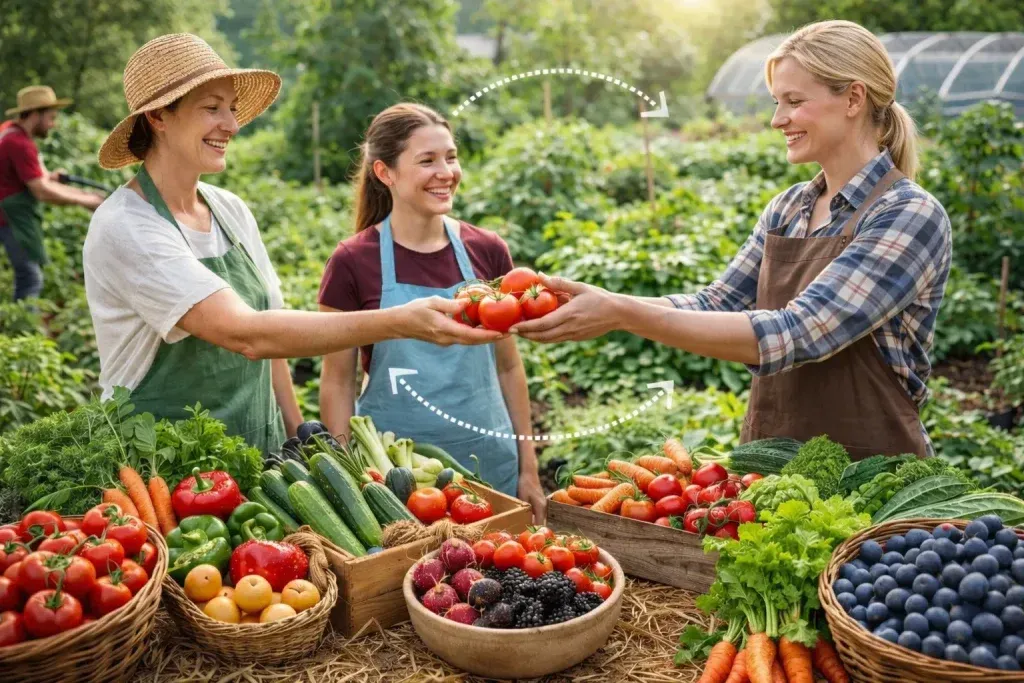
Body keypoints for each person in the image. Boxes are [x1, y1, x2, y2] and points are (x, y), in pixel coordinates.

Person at [513, 20, 952, 461]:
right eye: (778, 102)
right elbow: (718, 303)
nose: (778, 119)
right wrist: (606, 302)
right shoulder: (788, 209)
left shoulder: (907, 213)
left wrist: (622, 314)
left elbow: (800, 332)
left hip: (878, 480)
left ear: (854, 98)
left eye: (794, 102)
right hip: (768, 471)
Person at [83, 34, 500, 457]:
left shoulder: (229, 210)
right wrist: (399, 321)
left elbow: (271, 329)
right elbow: (246, 335)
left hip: (251, 456)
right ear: (158, 117)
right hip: (160, 469)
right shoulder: (128, 225)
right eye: (212, 108)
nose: (231, 124)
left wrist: (301, 436)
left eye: (231, 108)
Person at [318, 103, 545, 516]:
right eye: (427, 160)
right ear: (385, 173)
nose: (446, 172)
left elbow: (509, 367)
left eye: (451, 157)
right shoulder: (353, 261)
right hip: (396, 477)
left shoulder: (487, 251)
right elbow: (337, 382)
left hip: (491, 465)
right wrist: (350, 477)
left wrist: (528, 468)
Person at [1, 86, 104, 300]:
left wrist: (50, 177)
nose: (53, 124)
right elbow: (41, 191)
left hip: (10, 214)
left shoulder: (9, 131)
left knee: (28, 275)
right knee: (30, 278)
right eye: (51, 117)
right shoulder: (19, 143)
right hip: (11, 218)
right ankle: (23, 330)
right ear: (36, 114)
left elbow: (35, 178)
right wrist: (86, 200)